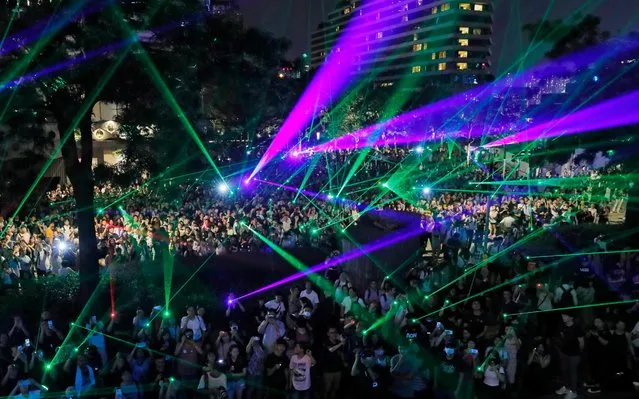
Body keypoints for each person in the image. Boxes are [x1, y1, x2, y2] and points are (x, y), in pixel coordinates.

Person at [555, 312, 584, 399]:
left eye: (565, 316)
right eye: (562, 315)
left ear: (571, 317)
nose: (562, 317)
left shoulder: (577, 328)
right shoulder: (562, 326)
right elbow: (562, 337)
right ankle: (566, 387)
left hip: (574, 354)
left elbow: (581, 343)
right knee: (564, 370)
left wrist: (579, 352)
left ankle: (573, 391)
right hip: (564, 352)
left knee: (572, 372)